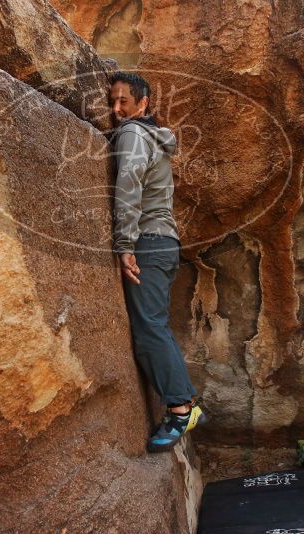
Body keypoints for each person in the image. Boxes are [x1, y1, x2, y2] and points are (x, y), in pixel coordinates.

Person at [108, 71, 209, 453]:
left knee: (149, 327)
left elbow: (129, 184)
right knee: (153, 324)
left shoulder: (134, 134)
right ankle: (183, 404)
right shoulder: (152, 136)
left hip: (148, 241)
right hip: (161, 241)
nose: (117, 110)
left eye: (125, 102)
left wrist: (124, 245)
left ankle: (182, 410)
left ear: (143, 103)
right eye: (112, 102)